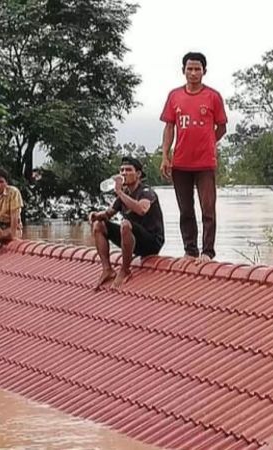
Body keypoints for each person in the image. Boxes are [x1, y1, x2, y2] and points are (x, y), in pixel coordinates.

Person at [159, 51, 228, 262]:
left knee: (208, 209)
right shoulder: (174, 96)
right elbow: (169, 127)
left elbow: (222, 127)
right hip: (180, 163)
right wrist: (165, 155)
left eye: (197, 69)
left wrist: (208, 142)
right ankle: (190, 250)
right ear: (183, 71)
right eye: (190, 69)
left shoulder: (213, 96)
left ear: (204, 72)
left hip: (205, 163)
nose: (193, 73)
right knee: (185, 210)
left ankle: (208, 252)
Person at [89, 156, 165, 289]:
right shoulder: (124, 194)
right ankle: (107, 269)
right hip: (131, 237)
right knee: (99, 226)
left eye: (128, 170)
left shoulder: (146, 192)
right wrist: (96, 216)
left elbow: (142, 209)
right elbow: (108, 214)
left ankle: (125, 270)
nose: (124, 173)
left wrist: (119, 192)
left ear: (138, 174)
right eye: (122, 170)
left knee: (125, 224)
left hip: (151, 241)